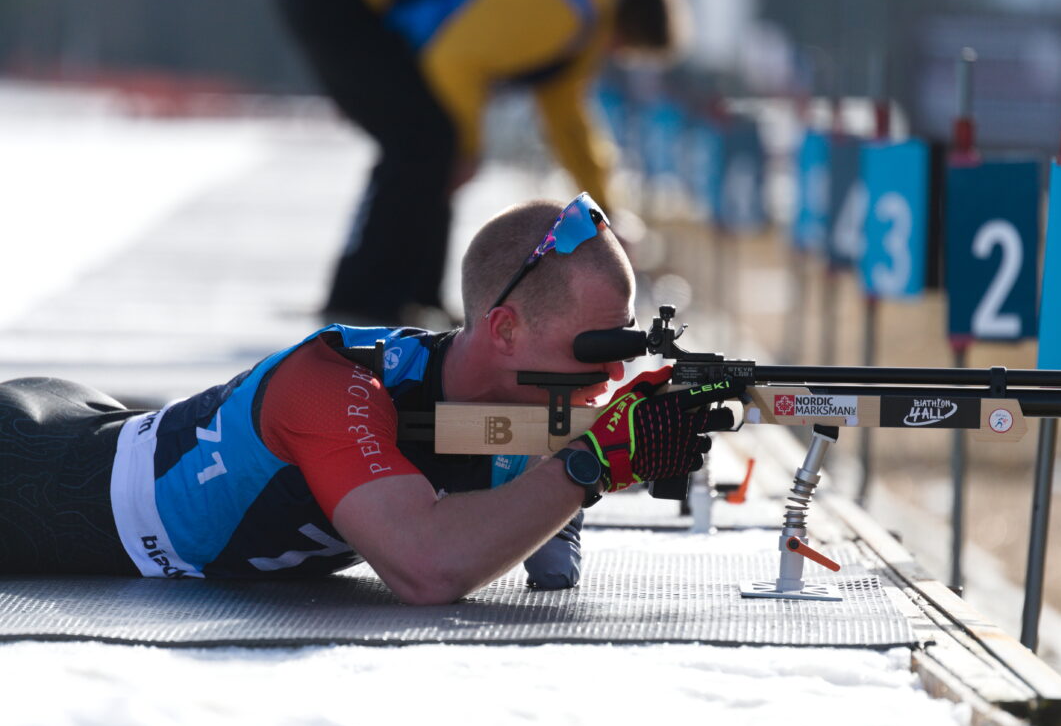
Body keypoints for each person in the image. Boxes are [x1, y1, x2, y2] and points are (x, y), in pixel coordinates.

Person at [0, 196, 737, 605]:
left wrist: (576, 465)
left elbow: (551, 573)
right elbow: (428, 568)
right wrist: (586, 465)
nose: (609, 379)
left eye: (622, 349)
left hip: (88, 426)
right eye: (593, 351)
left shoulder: (503, 418)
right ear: (506, 328)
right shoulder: (335, 382)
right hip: (32, 473)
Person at [274, 0, 691, 326]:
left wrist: (606, 211)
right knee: (425, 144)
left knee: (427, 146)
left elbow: (569, 124)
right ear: (627, 24)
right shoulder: (559, 4)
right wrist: (468, 149)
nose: (615, 54)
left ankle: (415, 298)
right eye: (626, 47)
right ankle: (360, 302)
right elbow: (454, 59)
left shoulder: (577, 6)